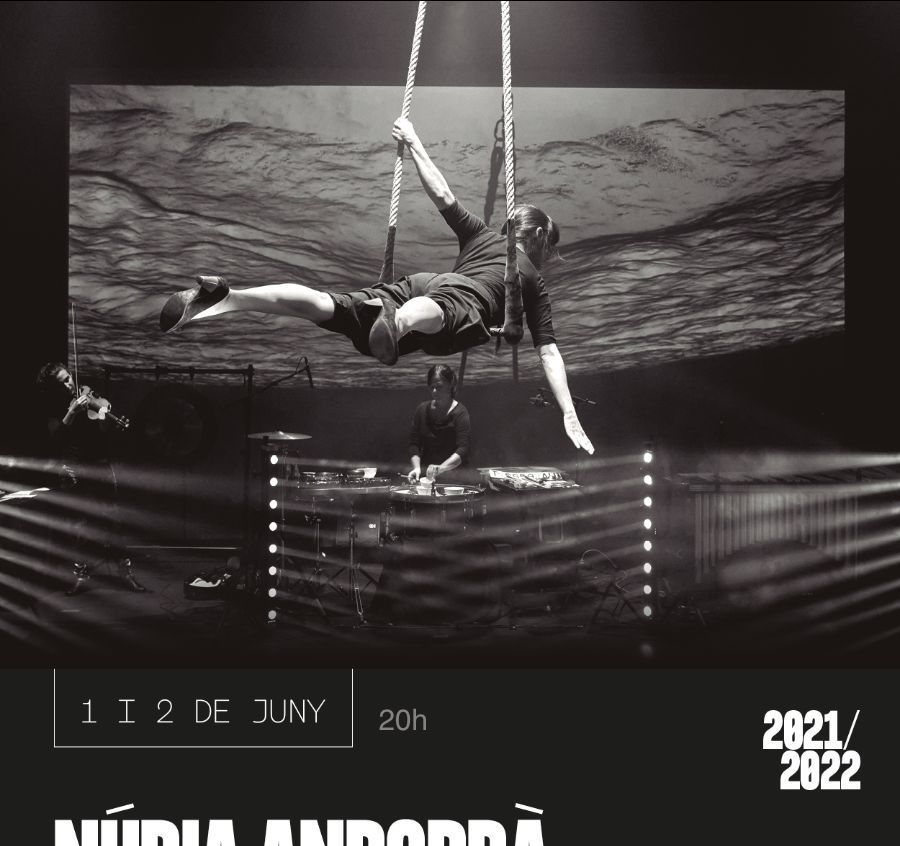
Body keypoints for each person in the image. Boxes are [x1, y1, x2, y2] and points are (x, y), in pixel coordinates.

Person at [160, 116, 594, 455]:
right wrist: (569, 411)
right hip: (456, 301)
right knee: (442, 317)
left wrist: (414, 140)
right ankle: (398, 321)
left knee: (327, 305)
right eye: (549, 249)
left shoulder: (482, 236)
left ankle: (231, 297)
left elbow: (443, 196)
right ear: (540, 238)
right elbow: (549, 352)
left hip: (422, 283)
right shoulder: (531, 278)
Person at [35, 363, 147, 596]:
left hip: (99, 464)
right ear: (54, 388)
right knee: (81, 523)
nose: (70, 384)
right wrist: (71, 412)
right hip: (74, 468)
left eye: (69, 377)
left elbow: (102, 432)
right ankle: (81, 575)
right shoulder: (52, 407)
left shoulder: (87, 395)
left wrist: (105, 416)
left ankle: (126, 573)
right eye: (63, 382)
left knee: (113, 519)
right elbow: (55, 440)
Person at [408, 364, 470, 483]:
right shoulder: (421, 410)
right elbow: (414, 444)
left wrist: (440, 468)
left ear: (450, 385)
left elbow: (463, 449)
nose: (434, 391)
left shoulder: (460, 413)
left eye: (439, 387)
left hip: (454, 478)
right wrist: (416, 468)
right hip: (426, 477)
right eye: (432, 387)